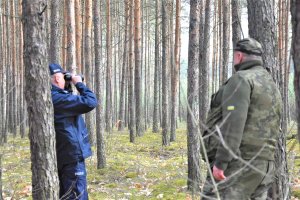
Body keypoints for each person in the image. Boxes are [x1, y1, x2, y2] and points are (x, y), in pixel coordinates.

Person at [201, 38, 282, 199]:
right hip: (264, 167)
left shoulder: (241, 79)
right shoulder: (270, 83)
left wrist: (221, 163)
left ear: (239, 56)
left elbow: (234, 124)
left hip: (239, 165)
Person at [49, 63, 98, 200]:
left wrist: (68, 85)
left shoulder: (54, 97)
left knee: (66, 194)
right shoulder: (57, 98)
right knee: (77, 195)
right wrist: (79, 84)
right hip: (71, 157)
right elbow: (90, 102)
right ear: (58, 79)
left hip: (63, 155)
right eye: (64, 78)